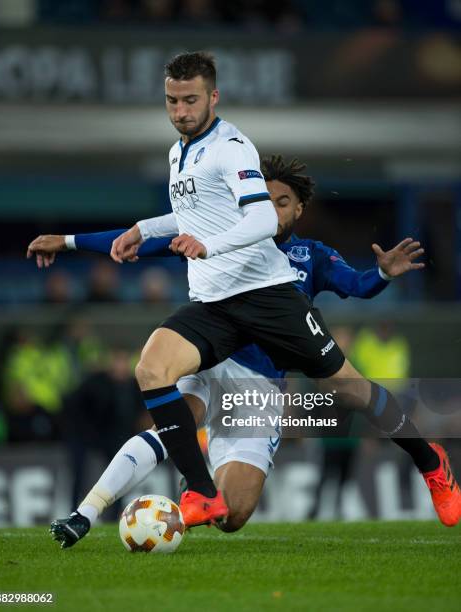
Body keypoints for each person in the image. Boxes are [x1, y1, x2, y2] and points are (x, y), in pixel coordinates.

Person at [28, 52, 460, 532]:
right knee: (152, 366)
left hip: (267, 298)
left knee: (353, 391)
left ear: (213, 97)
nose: (180, 110)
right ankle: (198, 492)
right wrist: (98, 235)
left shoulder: (232, 147)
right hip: (216, 307)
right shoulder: (179, 154)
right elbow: (185, 220)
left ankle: (431, 463)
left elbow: (257, 219)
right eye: (172, 101)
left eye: (190, 100)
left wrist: (208, 244)